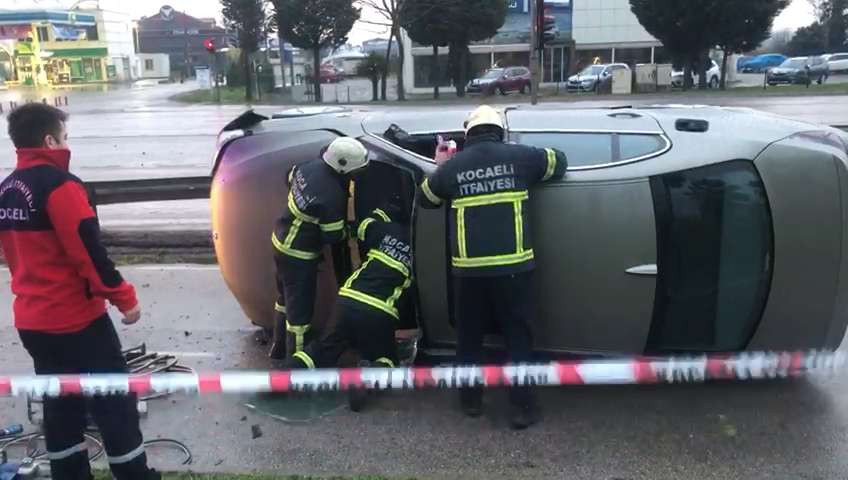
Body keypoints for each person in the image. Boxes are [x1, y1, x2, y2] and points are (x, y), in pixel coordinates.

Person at [0, 104, 157, 479]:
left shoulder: (6, 190)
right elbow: (88, 254)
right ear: (50, 140)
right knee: (114, 404)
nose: (67, 145)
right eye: (65, 138)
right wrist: (124, 297)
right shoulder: (61, 187)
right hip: (77, 321)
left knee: (61, 405)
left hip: (33, 323)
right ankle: (134, 475)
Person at [418, 105, 567, 430]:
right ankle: (523, 408)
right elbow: (559, 162)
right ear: (499, 130)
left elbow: (426, 199)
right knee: (518, 338)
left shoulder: (452, 168)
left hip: (468, 274)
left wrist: (439, 165)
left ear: (468, 134)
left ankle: (470, 401)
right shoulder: (522, 157)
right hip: (514, 269)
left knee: (469, 339)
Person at [284, 205, 413, 411]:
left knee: (321, 350)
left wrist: (378, 215)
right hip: (379, 311)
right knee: (387, 360)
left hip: (348, 300)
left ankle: (281, 379)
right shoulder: (425, 245)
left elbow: (363, 227)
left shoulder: (389, 231)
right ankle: (364, 381)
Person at [270, 137, 369, 359]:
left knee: (285, 298)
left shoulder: (310, 166)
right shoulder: (331, 195)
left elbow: (289, 176)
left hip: (281, 240)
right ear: (343, 168)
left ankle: (278, 347)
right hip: (299, 256)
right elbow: (333, 235)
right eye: (356, 171)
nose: (357, 175)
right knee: (300, 317)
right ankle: (296, 370)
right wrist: (353, 230)